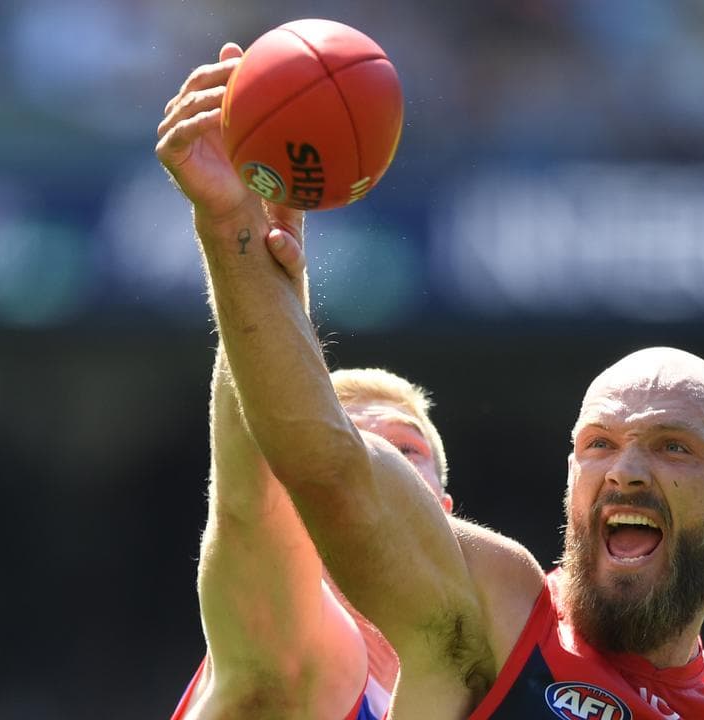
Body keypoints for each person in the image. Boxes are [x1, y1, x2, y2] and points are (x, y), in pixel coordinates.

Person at [157, 40, 704, 720]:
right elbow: (319, 467)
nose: (627, 471)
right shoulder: (500, 615)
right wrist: (233, 234)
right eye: (600, 444)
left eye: (673, 446)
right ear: (570, 468)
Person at [160, 44, 454, 719]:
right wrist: (236, 235)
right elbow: (247, 508)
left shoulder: (498, 679)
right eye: (347, 444)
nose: (372, 461)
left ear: (446, 511)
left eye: (405, 452)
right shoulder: (296, 663)